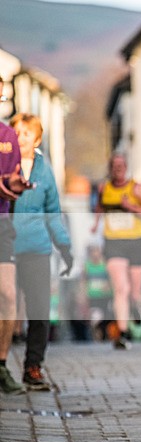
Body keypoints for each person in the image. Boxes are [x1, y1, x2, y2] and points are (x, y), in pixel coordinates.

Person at [10, 113, 72, 391]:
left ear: (37, 139)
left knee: (39, 309)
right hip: (5, 245)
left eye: (26, 133)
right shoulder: (4, 164)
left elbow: (53, 213)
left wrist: (65, 247)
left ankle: (33, 366)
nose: (20, 137)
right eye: (16, 132)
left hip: (36, 247)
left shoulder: (45, 170)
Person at [91, 153, 141, 350]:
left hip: (136, 242)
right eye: (114, 165)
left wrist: (130, 207)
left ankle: (135, 306)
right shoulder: (104, 188)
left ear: (126, 167)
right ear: (110, 168)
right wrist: (95, 224)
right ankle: (123, 333)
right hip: (113, 242)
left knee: (135, 293)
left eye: (121, 165)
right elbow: (99, 207)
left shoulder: (137, 188)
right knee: (121, 288)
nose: (118, 169)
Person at [0, 77, 34, 394]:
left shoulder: (7, 136)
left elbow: (13, 178)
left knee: (9, 295)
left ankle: (1, 365)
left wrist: (15, 185)